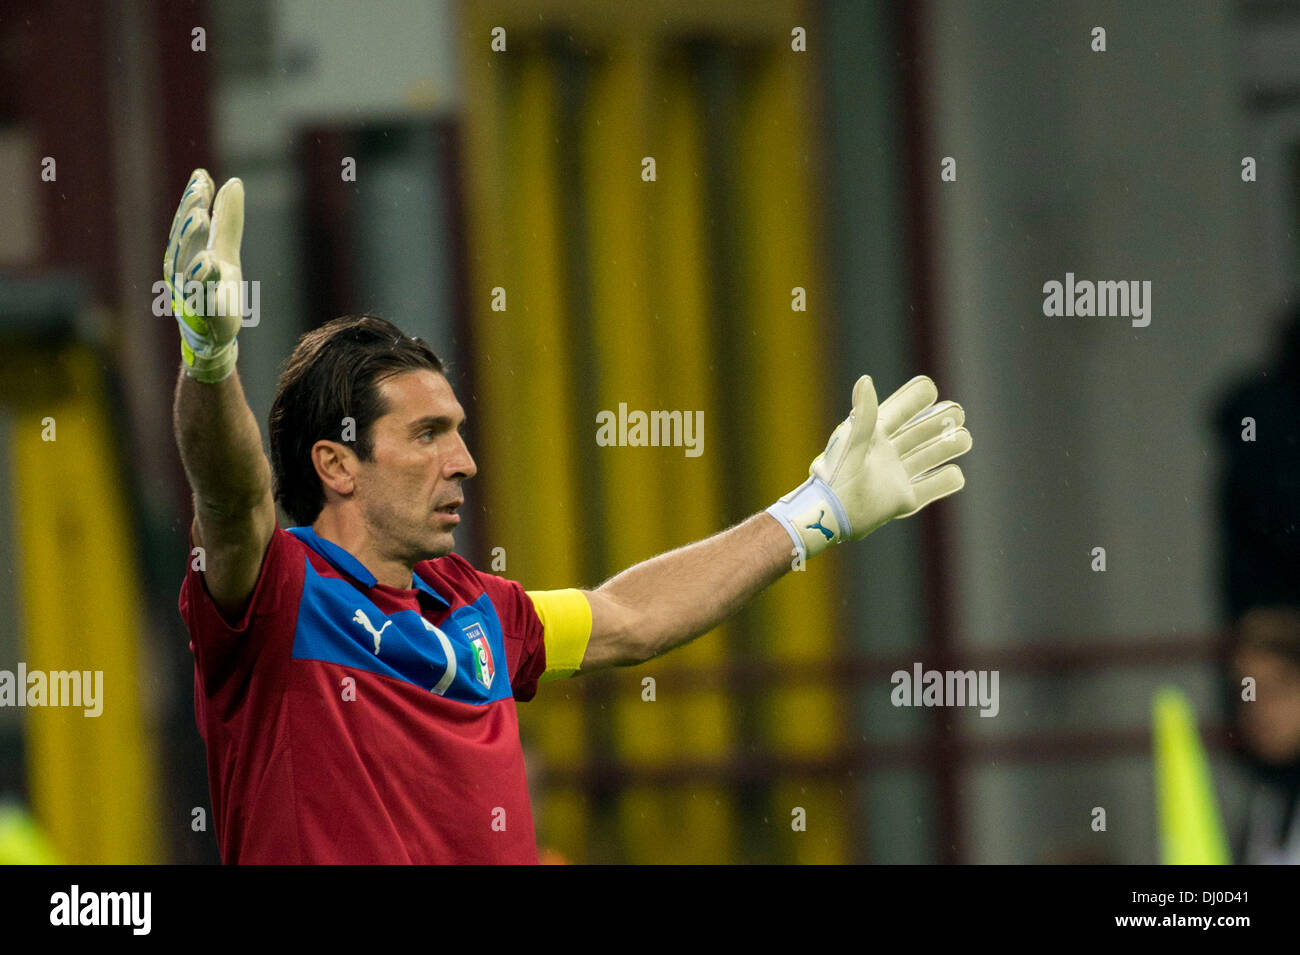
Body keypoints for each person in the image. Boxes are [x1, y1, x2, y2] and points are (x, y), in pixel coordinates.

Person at [167, 168, 973, 863]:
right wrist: (209, 360)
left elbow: (629, 615)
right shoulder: (282, 594)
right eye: (426, 435)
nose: (463, 461)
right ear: (335, 462)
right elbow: (230, 496)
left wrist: (814, 511)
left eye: (458, 431)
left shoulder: (476, 608)